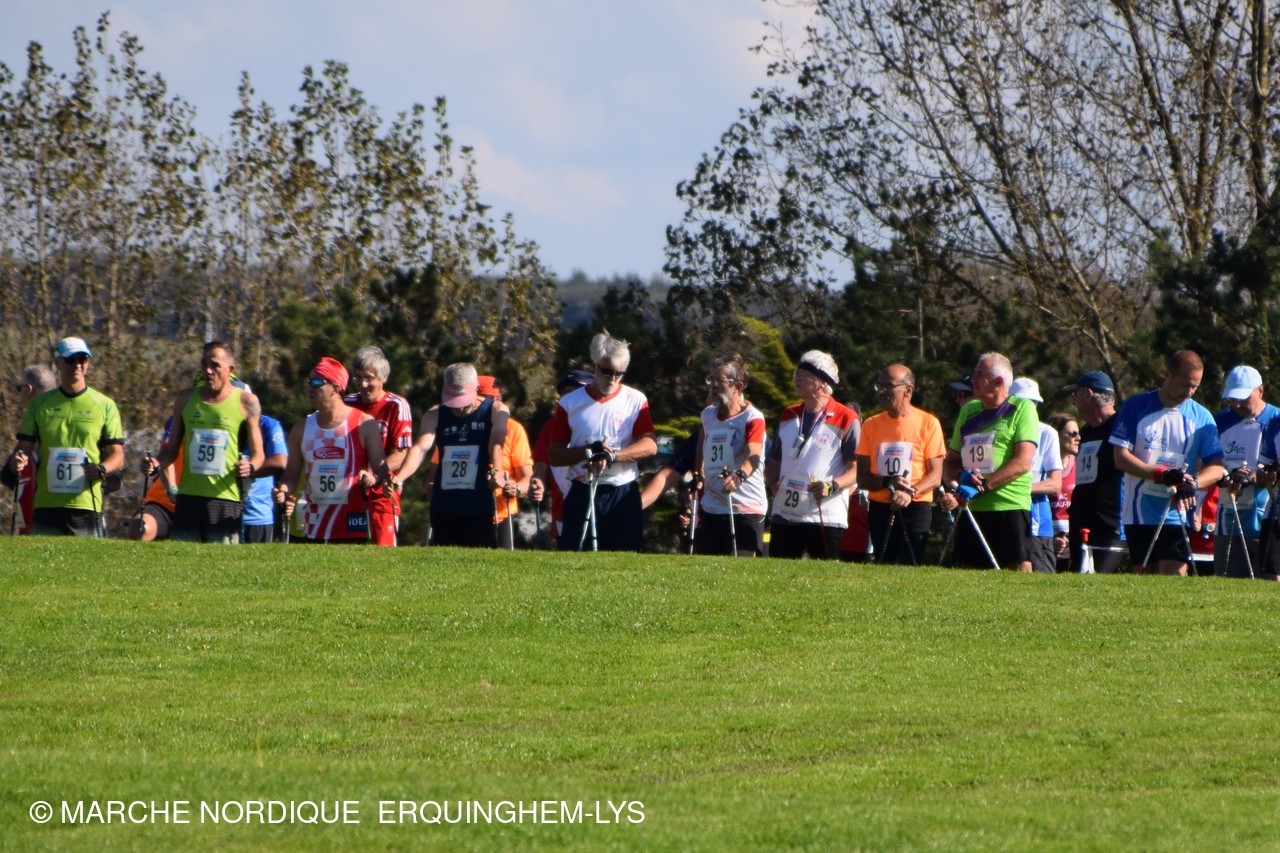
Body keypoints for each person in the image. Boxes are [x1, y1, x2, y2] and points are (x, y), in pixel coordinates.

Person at [1111, 350, 1225, 576]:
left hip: (1178, 512)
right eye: (1185, 385)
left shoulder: (1201, 417)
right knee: (1146, 579)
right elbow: (1120, 458)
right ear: (1168, 374)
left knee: (1173, 577)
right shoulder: (1136, 407)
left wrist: (1193, 482)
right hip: (1138, 512)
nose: (1189, 392)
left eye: (1195, 387)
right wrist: (1160, 474)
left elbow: (1217, 467)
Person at [546, 332, 658, 552]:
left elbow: (650, 444)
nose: (612, 379)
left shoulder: (636, 400)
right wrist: (588, 451)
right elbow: (554, 455)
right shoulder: (570, 403)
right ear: (594, 366)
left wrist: (613, 456)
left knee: (626, 561)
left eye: (619, 374)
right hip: (583, 490)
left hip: (622, 492)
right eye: (606, 372)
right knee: (576, 558)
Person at [143, 341, 264, 544]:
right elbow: (171, 448)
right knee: (182, 558)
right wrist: (156, 463)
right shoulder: (185, 399)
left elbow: (259, 453)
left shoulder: (247, 402)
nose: (208, 370)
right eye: (204, 364)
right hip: (188, 497)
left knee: (220, 562)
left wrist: (250, 466)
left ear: (230, 369)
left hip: (225, 499)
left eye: (215, 365)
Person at [7, 338, 125, 536]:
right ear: (58, 362)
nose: (77, 365)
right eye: (70, 360)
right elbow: (23, 449)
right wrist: (17, 461)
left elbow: (118, 456)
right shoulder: (39, 404)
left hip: (86, 504)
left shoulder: (105, 405)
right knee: (41, 556)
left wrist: (101, 469)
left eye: (82, 359)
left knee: (88, 557)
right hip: (46, 503)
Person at [394, 362, 510, 548]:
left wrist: (496, 471)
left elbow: (496, 443)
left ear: (475, 389)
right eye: (453, 401)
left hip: (479, 504)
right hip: (444, 505)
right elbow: (420, 448)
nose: (458, 408)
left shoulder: (496, 410)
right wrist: (399, 478)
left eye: (463, 401)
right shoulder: (435, 414)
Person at [940, 353, 1038, 570]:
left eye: (979, 375)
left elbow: (1023, 461)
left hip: (1010, 505)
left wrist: (984, 485)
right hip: (971, 507)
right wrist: (961, 477)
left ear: (998, 381)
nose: (973, 379)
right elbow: (951, 461)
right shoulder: (968, 410)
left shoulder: (1022, 408)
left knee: (1018, 572)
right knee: (967, 573)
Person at [276, 357, 389, 543]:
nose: (310, 387)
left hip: (352, 525)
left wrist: (372, 478)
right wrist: (283, 490)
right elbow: (291, 476)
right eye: (309, 382)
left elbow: (382, 470)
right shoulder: (301, 428)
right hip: (313, 526)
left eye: (317, 382)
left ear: (336, 388)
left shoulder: (363, 424)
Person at [765, 350, 860, 559]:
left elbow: (857, 470)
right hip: (785, 514)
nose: (797, 378)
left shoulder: (846, 418)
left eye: (804, 374)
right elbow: (774, 464)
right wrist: (778, 489)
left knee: (825, 576)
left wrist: (831, 486)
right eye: (796, 373)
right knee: (777, 574)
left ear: (822, 382)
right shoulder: (788, 415)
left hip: (824, 514)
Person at [855, 363, 945, 565]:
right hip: (880, 506)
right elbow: (862, 477)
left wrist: (909, 492)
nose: (881, 391)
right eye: (879, 385)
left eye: (888, 385)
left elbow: (935, 476)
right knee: (883, 565)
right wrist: (887, 482)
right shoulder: (870, 424)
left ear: (908, 390)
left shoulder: (928, 423)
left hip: (915, 505)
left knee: (910, 566)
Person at [693, 353, 767, 556]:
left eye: (720, 380)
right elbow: (701, 443)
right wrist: (698, 473)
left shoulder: (753, 418)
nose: (714, 385)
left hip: (745, 508)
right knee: (706, 570)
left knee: (740, 571)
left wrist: (739, 476)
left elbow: (754, 455)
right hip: (712, 508)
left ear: (738, 386)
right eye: (711, 379)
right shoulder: (708, 415)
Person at [1213, 366, 1279, 578]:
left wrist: (1253, 476)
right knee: (1227, 587)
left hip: (1269, 519)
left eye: (1243, 398)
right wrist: (1227, 478)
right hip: (1229, 519)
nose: (1237, 404)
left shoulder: (1276, 420)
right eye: (1232, 399)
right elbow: (1207, 466)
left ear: (1260, 391)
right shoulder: (1219, 421)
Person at [345, 345, 413, 546]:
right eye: (358, 378)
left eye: (369, 378)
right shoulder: (347, 403)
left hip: (382, 492)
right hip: (346, 491)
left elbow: (401, 454)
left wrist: (374, 475)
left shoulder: (396, 405)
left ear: (384, 378)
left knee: (383, 552)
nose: (362, 384)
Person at [1063, 370, 1127, 573]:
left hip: (1111, 523)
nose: (1074, 400)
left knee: (1098, 578)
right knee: (1078, 578)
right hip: (1081, 522)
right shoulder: (1086, 431)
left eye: (1076, 394)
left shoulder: (1121, 426)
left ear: (1088, 394)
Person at [531, 369, 594, 545]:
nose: (568, 399)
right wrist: (537, 483)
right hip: (563, 516)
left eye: (575, 393)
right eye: (564, 394)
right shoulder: (550, 427)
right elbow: (541, 467)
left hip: (600, 509)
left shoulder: (600, 422)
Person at [1009, 377, 1063, 573]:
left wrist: (1018, 489)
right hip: (1005, 518)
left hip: (1037, 524)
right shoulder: (1001, 430)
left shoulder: (1047, 433)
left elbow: (1055, 483)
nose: (1029, 407)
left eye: (1034, 402)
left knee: (1041, 582)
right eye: (1024, 402)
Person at [477, 375, 534, 550]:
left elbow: (527, 478)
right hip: (465, 512)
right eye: (479, 400)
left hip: (502, 513)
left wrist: (516, 488)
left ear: (498, 399)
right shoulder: (458, 426)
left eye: (488, 401)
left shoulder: (513, 429)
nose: (483, 406)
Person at [2, 364, 57, 534]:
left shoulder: (35, 427)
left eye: (20, 388)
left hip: (44, 520)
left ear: (28, 390)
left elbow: (7, 477)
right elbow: (9, 475)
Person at [240, 412, 288, 543]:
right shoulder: (217, 419)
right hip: (220, 511)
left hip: (257, 517)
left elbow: (280, 462)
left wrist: (247, 470)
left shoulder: (268, 425)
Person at [1047, 412, 1080, 572]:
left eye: (1078, 433)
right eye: (1072, 434)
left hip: (1074, 540)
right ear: (1056, 435)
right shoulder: (1041, 466)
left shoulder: (1081, 464)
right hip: (1046, 539)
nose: (1078, 438)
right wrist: (1050, 540)